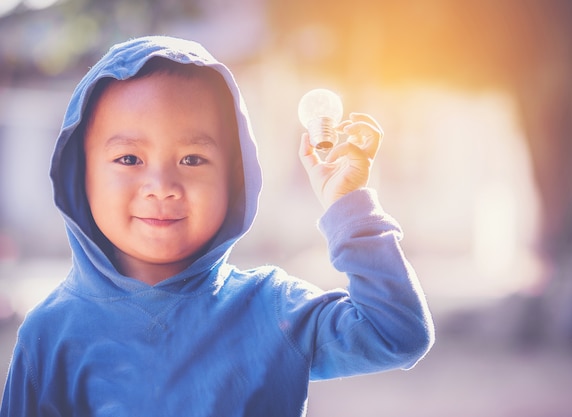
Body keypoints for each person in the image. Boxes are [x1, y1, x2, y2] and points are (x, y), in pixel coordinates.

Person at [0, 35, 434, 416]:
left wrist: (348, 205)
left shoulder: (272, 309)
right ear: (81, 175)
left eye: (193, 159)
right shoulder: (50, 336)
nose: (162, 187)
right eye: (129, 159)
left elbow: (398, 333)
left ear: (235, 178)